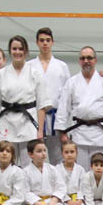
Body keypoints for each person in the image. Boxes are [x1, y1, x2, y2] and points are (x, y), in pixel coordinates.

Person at [56, 46, 103, 167]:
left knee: (99, 169)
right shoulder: (71, 82)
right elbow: (63, 107)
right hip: (79, 132)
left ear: (95, 60)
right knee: (80, 170)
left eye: (89, 58)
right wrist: (61, 131)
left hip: (99, 133)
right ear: (79, 61)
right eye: (83, 58)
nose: (86, 61)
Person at [0, 35, 50, 167]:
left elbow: (41, 104)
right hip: (6, 121)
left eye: (20, 49)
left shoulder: (35, 73)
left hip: (28, 122)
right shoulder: (1, 74)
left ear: (26, 51)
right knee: (6, 162)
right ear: (10, 51)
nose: (17, 52)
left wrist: (40, 130)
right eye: (14, 49)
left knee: (29, 164)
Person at [28, 27, 71, 165]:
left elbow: (67, 97)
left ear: (52, 42)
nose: (45, 43)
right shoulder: (29, 66)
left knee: (57, 156)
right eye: (41, 40)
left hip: (56, 117)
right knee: (37, 155)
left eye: (47, 40)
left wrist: (64, 125)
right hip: (35, 117)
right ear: (37, 43)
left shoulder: (62, 66)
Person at [22, 139, 70, 205]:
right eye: (39, 151)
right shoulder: (25, 172)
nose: (43, 153)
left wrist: (53, 202)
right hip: (35, 204)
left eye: (44, 150)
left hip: (51, 201)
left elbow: (61, 187)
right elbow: (25, 192)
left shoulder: (52, 169)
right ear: (30, 154)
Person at [57, 140, 87, 205]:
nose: (69, 155)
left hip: (77, 199)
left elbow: (83, 187)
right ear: (62, 154)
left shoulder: (80, 169)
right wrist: (68, 201)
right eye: (66, 152)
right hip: (63, 200)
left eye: (72, 152)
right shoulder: (57, 169)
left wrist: (79, 200)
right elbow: (58, 188)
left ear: (76, 153)